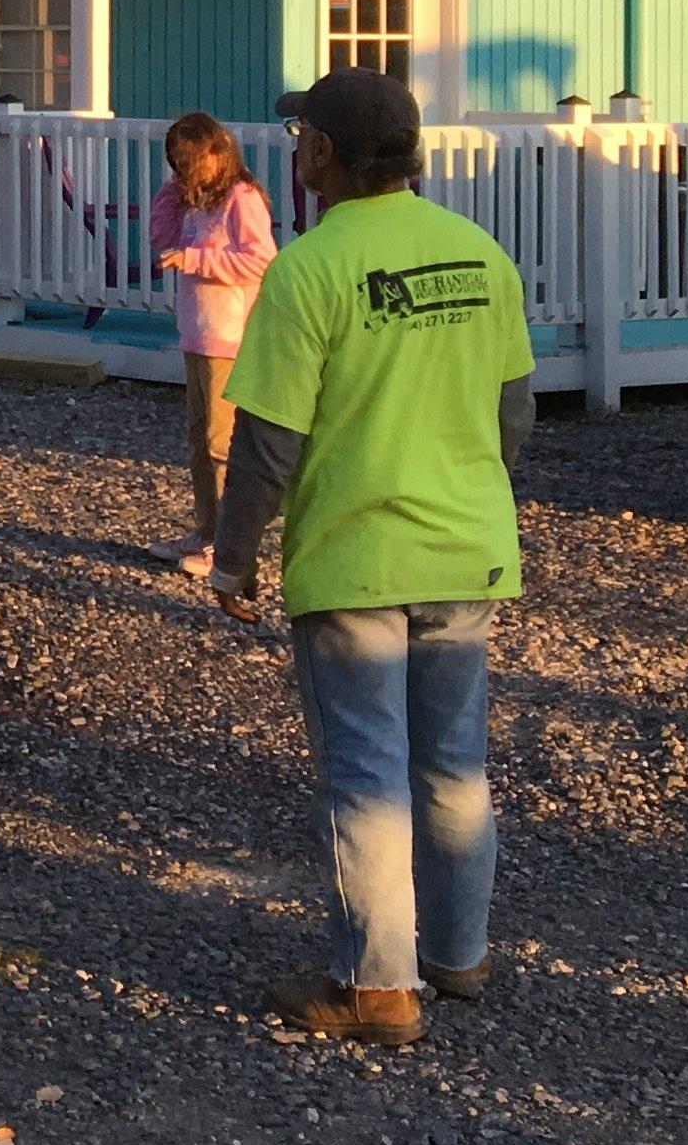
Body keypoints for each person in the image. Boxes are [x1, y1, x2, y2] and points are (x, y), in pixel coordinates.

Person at [212, 68, 536, 1049]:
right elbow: (513, 410)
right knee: (453, 763)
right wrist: (466, 486)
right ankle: (457, 954)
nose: (294, 149)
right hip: (466, 548)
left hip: (356, 556)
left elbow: (267, 443)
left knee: (366, 774)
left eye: (302, 135)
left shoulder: (310, 270)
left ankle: (377, 989)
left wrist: (235, 561)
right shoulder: (480, 255)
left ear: (323, 158)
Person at [151, 110, 278, 577]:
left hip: (230, 335)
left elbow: (262, 261)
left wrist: (194, 260)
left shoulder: (241, 199)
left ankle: (228, 545)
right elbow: (159, 236)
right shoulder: (196, 199)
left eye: (191, 161)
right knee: (199, 441)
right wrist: (173, 190)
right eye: (178, 163)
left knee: (221, 443)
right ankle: (207, 530)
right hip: (197, 333)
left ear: (217, 153)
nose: (186, 171)